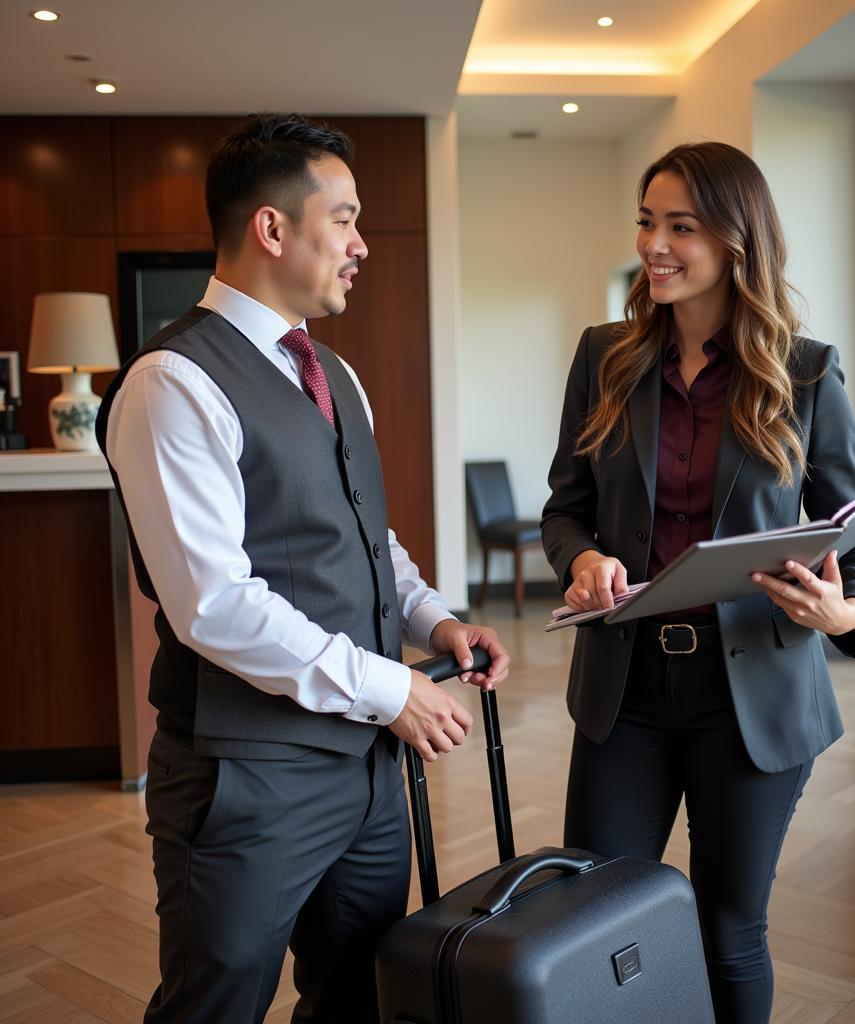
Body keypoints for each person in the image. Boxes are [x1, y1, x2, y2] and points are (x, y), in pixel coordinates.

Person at [96, 113, 509, 1024]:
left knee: (357, 994)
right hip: (246, 775)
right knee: (216, 1005)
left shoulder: (337, 375)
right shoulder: (172, 383)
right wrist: (390, 689)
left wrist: (434, 620)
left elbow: (367, 538)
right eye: (346, 218)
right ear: (272, 228)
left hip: (364, 769)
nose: (362, 244)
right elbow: (213, 604)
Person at [542, 141, 855, 1024]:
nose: (654, 244)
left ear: (737, 241)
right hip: (628, 687)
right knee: (593, 916)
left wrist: (842, 608)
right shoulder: (604, 357)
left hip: (756, 696)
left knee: (730, 929)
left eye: (680, 227)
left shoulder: (805, 372)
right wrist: (583, 559)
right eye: (647, 221)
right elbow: (565, 508)